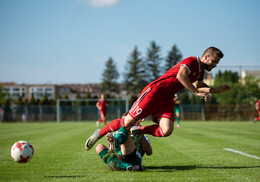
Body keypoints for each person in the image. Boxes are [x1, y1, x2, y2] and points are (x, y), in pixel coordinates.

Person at [86, 47, 231, 148]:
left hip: (167, 98)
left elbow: (199, 86)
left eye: (217, 63)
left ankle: (138, 130)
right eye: (214, 61)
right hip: (155, 91)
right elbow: (181, 76)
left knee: (166, 130)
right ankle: (99, 134)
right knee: (128, 121)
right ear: (205, 57)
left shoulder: (200, 72)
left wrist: (216, 91)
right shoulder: (192, 61)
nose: (215, 65)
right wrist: (196, 93)